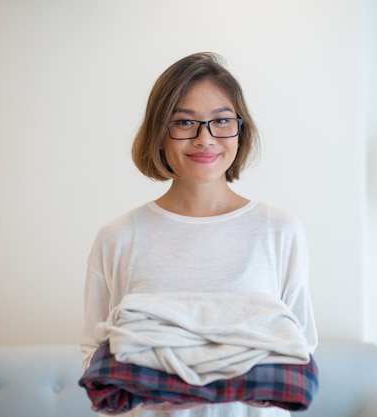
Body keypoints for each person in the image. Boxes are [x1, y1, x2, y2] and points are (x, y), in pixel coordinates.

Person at [80, 52, 318, 417]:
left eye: (221, 120)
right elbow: (93, 357)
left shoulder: (279, 231)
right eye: (184, 122)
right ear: (159, 133)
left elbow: (300, 349)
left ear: (240, 129)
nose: (205, 139)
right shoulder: (119, 237)